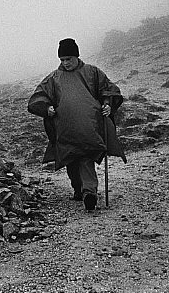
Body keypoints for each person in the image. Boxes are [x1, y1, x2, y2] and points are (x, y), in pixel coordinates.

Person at [28, 38, 126, 211]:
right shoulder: (53, 78)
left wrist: (107, 104)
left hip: (89, 125)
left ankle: (89, 192)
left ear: (77, 56)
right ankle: (79, 190)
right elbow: (38, 98)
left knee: (86, 157)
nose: (65, 63)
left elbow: (108, 90)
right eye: (62, 60)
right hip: (65, 128)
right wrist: (46, 108)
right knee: (71, 159)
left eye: (69, 59)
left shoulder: (92, 72)